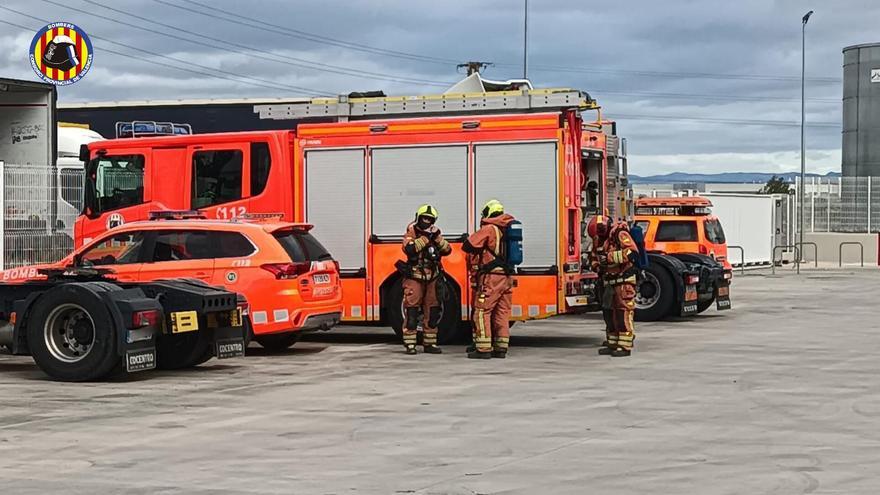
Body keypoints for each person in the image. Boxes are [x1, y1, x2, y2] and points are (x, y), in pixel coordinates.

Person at [462, 199, 516, 359]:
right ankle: (501, 348)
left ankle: (483, 349)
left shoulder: (490, 228)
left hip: (492, 277)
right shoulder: (507, 228)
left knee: (481, 311)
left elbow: (468, 245)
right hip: (506, 277)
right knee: (502, 312)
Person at [399, 204, 452, 355]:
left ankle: (430, 343)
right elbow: (409, 248)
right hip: (414, 276)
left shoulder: (435, 233)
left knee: (433, 310)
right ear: (419, 218)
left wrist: (437, 239)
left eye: (430, 219)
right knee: (412, 311)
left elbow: (447, 250)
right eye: (424, 218)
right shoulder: (412, 231)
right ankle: (410, 344)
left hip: (433, 276)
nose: (426, 221)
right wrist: (425, 238)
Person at [587, 215, 637, 357]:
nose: (599, 236)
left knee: (622, 313)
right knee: (609, 314)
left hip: (623, 282)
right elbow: (593, 257)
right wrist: (597, 266)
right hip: (608, 283)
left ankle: (624, 346)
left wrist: (609, 258)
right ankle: (613, 343)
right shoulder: (598, 240)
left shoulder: (620, 234)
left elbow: (632, 253)